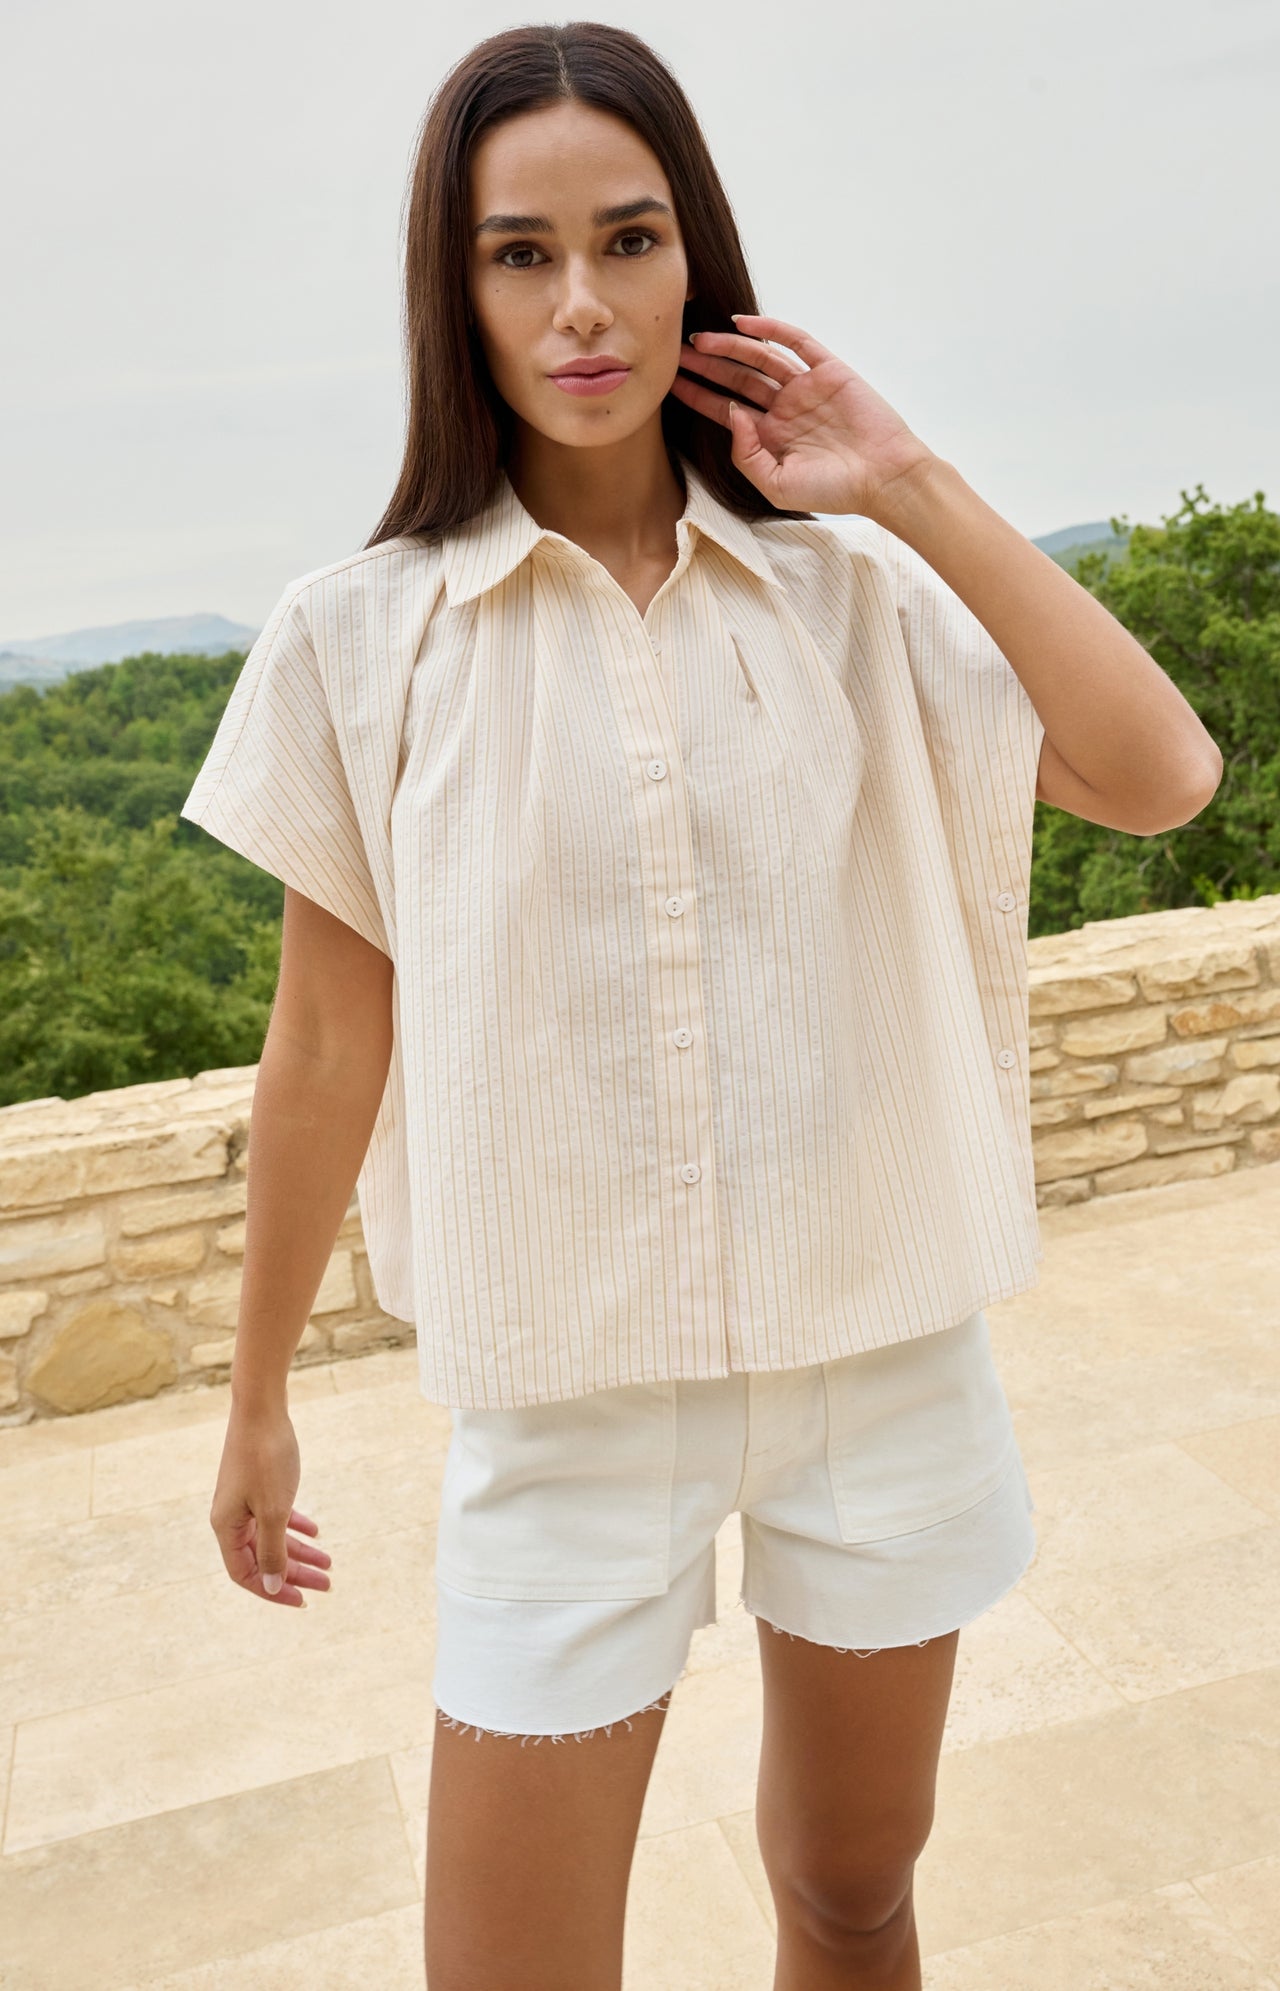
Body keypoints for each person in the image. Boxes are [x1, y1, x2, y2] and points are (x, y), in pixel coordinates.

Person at [183, 22, 1222, 1991]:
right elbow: (325, 1048)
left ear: (695, 261)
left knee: (849, 1892)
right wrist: (253, 1405)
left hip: (880, 1357)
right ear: (456, 287)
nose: (583, 303)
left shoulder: (851, 597)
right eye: (518, 252)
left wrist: (901, 479)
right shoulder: (360, 636)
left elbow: (1160, 774)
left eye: (630, 238)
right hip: (566, 1405)